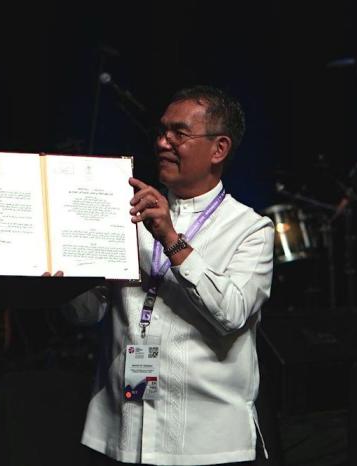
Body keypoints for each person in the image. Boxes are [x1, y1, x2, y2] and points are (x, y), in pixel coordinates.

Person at [64, 85, 274, 465]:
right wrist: (69, 258)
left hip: (207, 444)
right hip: (121, 432)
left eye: (179, 133)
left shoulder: (251, 229)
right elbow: (84, 314)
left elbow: (231, 313)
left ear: (219, 149)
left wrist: (171, 240)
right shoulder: (127, 217)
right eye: (161, 131)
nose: (163, 142)